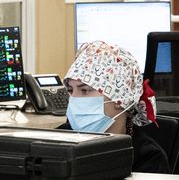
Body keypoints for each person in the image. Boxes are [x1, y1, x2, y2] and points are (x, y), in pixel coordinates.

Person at [62, 40, 171, 172]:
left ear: (120, 99)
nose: (74, 99)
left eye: (84, 90)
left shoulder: (148, 158)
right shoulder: (56, 143)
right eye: (70, 90)